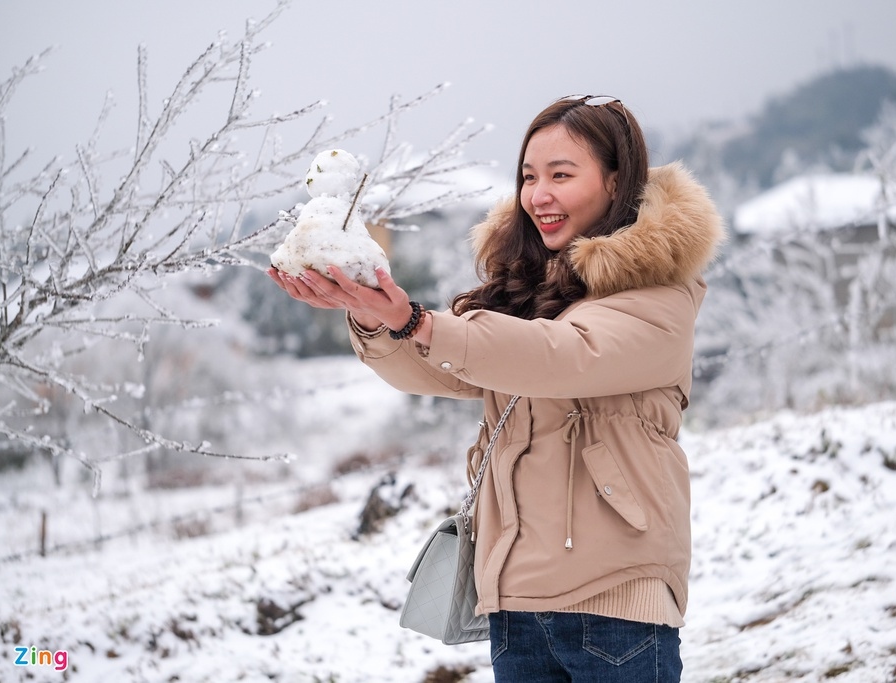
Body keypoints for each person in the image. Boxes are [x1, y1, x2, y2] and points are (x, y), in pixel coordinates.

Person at [268, 94, 724, 682]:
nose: (538, 194)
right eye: (529, 177)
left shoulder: (660, 299)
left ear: (616, 183)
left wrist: (421, 323)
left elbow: (562, 356)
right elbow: (436, 366)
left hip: (616, 601)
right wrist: (376, 318)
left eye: (562, 174)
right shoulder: (527, 296)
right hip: (516, 606)